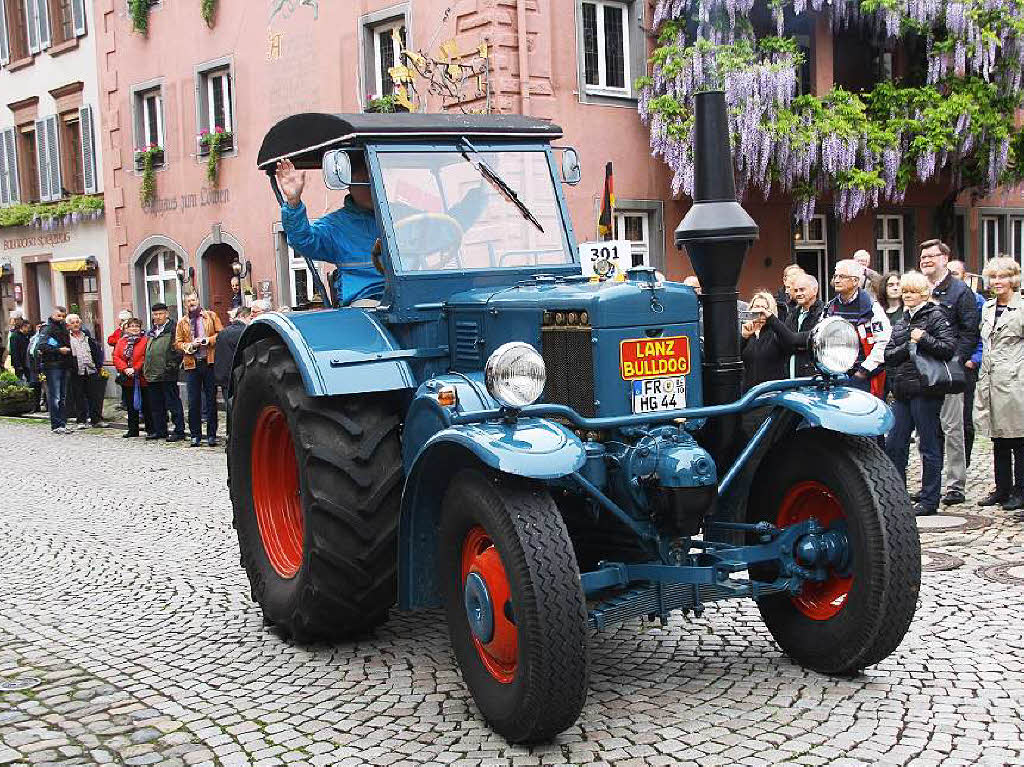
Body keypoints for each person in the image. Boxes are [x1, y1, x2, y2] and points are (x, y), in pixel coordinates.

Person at [883, 272, 958, 516]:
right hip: (903, 389)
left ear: (923, 293)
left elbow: (948, 349)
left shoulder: (936, 316)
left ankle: (929, 499)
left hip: (927, 389)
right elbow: (889, 354)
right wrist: (909, 345)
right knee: (895, 443)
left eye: (912, 292)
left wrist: (923, 338)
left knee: (928, 445)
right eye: (905, 291)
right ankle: (897, 494)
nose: (907, 296)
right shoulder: (903, 320)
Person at [276, 154, 385, 306]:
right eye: (365, 181)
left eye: (376, 180)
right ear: (350, 184)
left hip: (410, 291)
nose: (373, 187)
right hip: (368, 300)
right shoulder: (335, 226)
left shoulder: (403, 215)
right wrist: (293, 203)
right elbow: (303, 240)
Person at [918, 239, 979, 506]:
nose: (926, 260)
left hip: (949, 369)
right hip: (922, 369)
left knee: (952, 428)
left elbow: (969, 331)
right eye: (923, 257)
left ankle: (955, 485)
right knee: (926, 430)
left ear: (945, 258)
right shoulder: (920, 289)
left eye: (931, 256)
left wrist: (958, 360)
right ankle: (929, 484)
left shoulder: (959, 291)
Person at [974, 257, 1024, 510]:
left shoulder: (1022, 307)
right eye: (993, 277)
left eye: (1002, 277)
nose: (997, 282)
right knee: (997, 437)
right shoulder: (988, 307)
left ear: (1013, 279)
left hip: (1015, 381)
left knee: (1018, 438)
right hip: (991, 380)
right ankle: (1002, 488)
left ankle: (1020, 490)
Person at [825, 259, 891, 396]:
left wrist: (863, 372)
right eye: (835, 276)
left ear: (855, 281)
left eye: (841, 277)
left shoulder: (872, 308)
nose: (836, 280)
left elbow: (883, 342)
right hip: (835, 375)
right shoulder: (829, 308)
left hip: (863, 377)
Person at [175, 293, 224, 447]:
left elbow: (221, 334)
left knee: (211, 400)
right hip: (192, 364)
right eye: (188, 301)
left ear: (198, 301)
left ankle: (211, 435)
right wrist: (188, 346)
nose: (192, 303)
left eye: (194, 300)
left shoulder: (210, 316)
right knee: (193, 401)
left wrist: (207, 340)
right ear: (185, 304)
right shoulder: (182, 322)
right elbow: (177, 343)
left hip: (209, 362)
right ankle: (195, 434)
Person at [949, 259, 984, 468]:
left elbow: (980, 335)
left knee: (964, 420)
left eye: (955, 273)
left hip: (966, 365)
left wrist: (974, 360)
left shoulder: (976, 300)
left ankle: (966, 462)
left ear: (964, 276)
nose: (952, 277)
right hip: (944, 365)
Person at [143, 302, 186, 442]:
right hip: (152, 373)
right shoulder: (152, 331)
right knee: (156, 405)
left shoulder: (173, 329)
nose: (158, 317)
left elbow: (178, 351)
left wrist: (171, 366)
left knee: (173, 404)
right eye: (155, 314)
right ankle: (160, 430)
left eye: (160, 314)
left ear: (167, 314)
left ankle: (179, 431)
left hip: (167, 374)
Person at [35, 307, 74, 433]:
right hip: (52, 365)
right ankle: (56, 425)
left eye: (63, 316)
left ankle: (62, 424)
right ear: (52, 315)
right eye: (59, 316)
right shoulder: (47, 328)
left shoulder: (63, 327)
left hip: (64, 364)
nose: (61, 318)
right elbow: (41, 345)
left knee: (62, 397)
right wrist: (58, 350)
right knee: (55, 396)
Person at [66, 313, 105, 428]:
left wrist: (98, 366)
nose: (75, 325)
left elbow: (96, 352)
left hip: (91, 370)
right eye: (72, 323)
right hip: (76, 371)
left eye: (77, 322)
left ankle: (96, 420)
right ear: (68, 325)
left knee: (95, 396)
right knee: (79, 396)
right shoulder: (67, 338)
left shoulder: (87, 337)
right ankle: (81, 420)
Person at [779, 273, 822, 377]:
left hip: (812, 377)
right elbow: (784, 341)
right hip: (790, 375)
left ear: (814, 290)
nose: (798, 294)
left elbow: (813, 342)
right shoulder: (792, 314)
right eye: (796, 290)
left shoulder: (823, 313)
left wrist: (795, 342)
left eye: (802, 290)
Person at [112, 318, 149, 438]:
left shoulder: (145, 340)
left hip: (142, 377)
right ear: (126, 328)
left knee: (146, 405)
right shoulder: (122, 341)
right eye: (131, 326)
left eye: (136, 326)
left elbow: (145, 356)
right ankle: (133, 429)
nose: (134, 328)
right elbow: (117, 356)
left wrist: (136, 368)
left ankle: (150, 428)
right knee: (130, 405)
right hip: (127, 378)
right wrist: (125, 368)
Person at [26, 322, 46, 411]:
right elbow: (30, 351)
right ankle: (36, 406)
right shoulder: (33, 338)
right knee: (35, 386)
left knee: (46, 387)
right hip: (33, 366)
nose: (40, 329)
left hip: (42, 365)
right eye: (38, 327)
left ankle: (48, 406)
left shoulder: (45, 338)